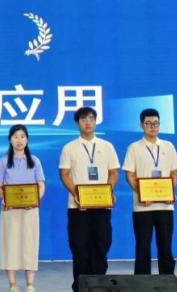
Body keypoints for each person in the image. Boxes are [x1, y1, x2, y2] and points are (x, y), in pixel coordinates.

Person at [58, 106, 119, 292]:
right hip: (78, 207)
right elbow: (64, 174)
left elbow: (113, 172)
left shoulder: (107, 146)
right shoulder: (69, 147)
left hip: (101, 205)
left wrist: (108, 192)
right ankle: (80, 287)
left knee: (101, 245)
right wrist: (76, 194)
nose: (88, 122)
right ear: (77, 123)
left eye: (91, 118)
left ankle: (99, 286)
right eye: (83, 119)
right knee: (80, 247)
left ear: (96, 121)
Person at [121, 108, 177, 276]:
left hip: (165, 206)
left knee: (165, 245)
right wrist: (141, 194)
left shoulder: (168, 146)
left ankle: (167, 281)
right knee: (143, 246)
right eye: (148, 123)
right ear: (141, 125)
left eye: (156, 123)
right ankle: (142, 283)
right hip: (142, 206)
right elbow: (129, 174)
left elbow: (174, 173)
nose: (152, 126)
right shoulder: (134, 147)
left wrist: (170, 192)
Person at [0, 124, 46, 292]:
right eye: (15, 137)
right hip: (10, 210)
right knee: (11, 245)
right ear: (10, 140)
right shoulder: (2, 161)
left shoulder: (35, 161)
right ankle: (13, 284)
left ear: (27, 139)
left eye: (22, 136)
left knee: (30, 244)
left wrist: (35, 200)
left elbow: (41, 185)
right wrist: (5, 199)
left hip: (30, 210)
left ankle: (30, 284)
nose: (19, 140)